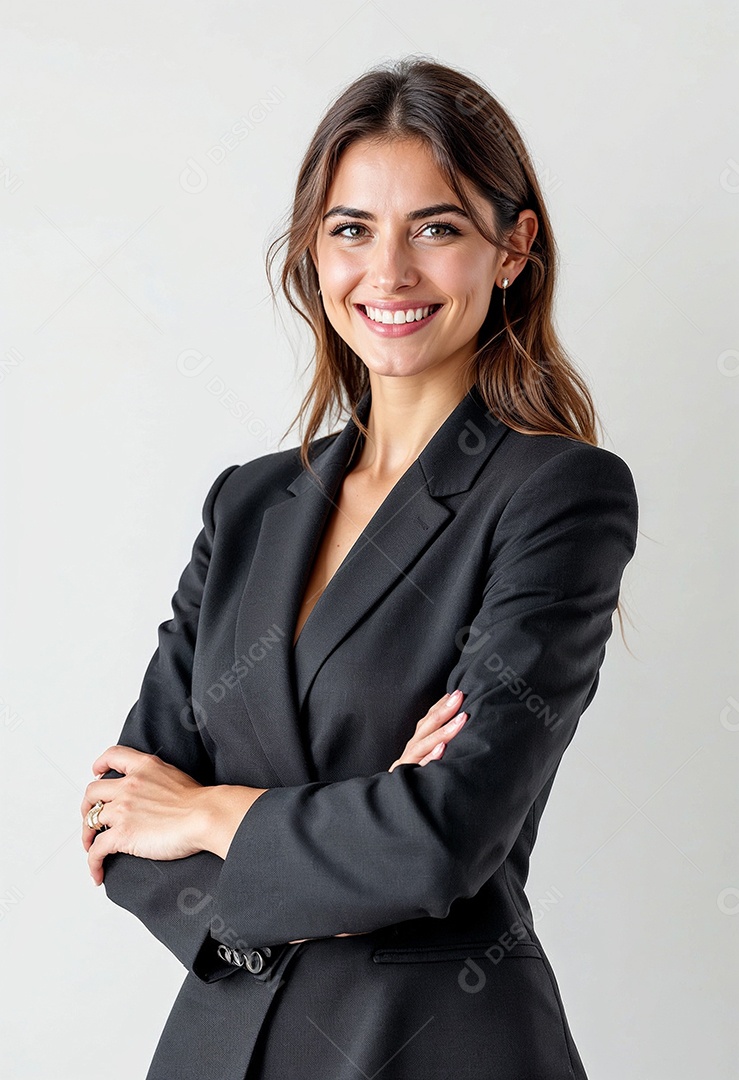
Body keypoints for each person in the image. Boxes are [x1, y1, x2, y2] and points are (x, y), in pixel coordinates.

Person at [81, 56, 638, 1080]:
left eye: (436, 227)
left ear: (512, 249)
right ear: (313, 249)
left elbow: (440, 841)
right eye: (351, 229)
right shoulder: (248, 503)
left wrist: (209, 812)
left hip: (433, 1045)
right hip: (221, 1045)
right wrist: (358, 827)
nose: (388, 273)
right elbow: (119, 820)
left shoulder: (557, 494)